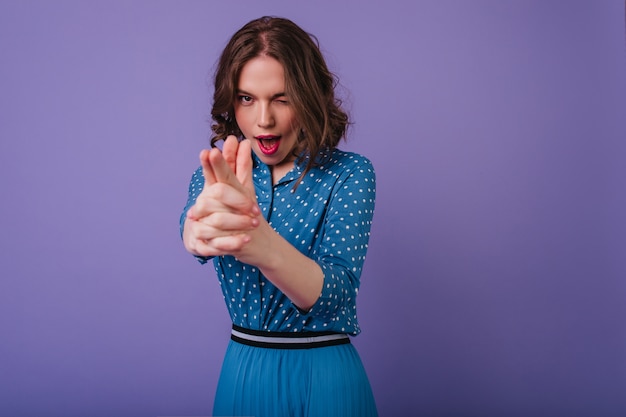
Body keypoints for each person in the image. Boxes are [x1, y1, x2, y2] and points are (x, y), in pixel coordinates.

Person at [180, 16, 377, 417]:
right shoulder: (219, 176)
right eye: (246, 98)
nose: (263, 119)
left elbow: (336, 294)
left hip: (325, 378)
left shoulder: (350, 173)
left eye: (282, 98)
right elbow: (195, 230)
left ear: (309, 97)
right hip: (244, 374)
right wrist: (195, 232)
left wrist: (260, 242)